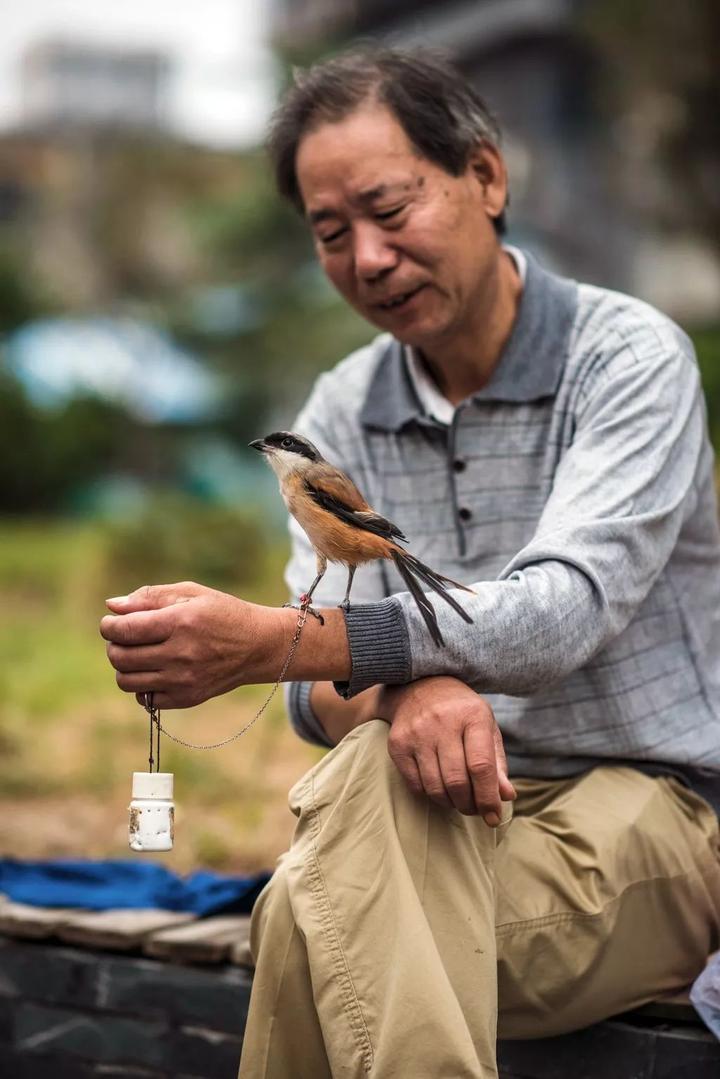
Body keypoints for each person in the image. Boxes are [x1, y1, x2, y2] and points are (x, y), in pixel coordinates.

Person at [101, 48, 720, 1079]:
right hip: (447, 823)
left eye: (391, 208)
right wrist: (406, 693)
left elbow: (557, 615)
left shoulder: (626, 359)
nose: (369, 257)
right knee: (359, 801)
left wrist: (273, 641)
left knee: (307, 915)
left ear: (486, 177)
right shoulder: (340, 408)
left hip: (660, 816)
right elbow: (323, 698)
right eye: (332, 233)